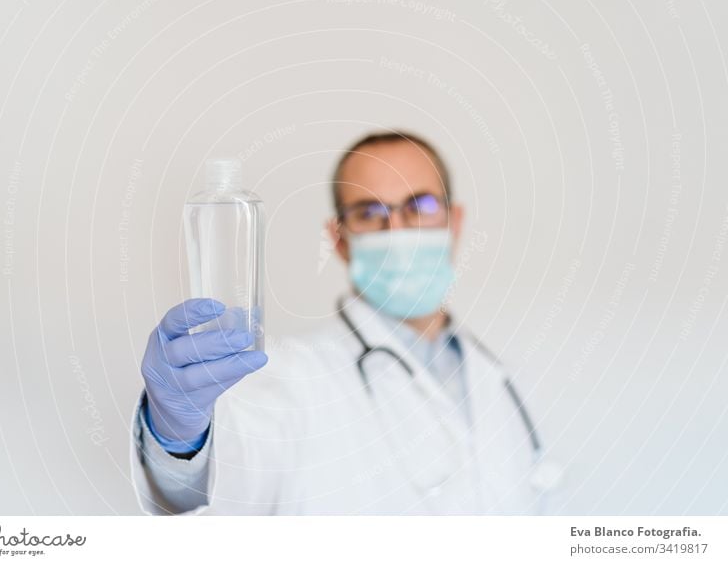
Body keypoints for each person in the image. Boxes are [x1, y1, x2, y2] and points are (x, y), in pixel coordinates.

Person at [130, 130, 559, 515]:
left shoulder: (501, 373)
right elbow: (213, 488)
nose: (398, 230)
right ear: (339, 239)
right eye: (370, 212)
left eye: (420, 205)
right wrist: (177, 436)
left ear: (455, 221)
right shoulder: (290, 377)